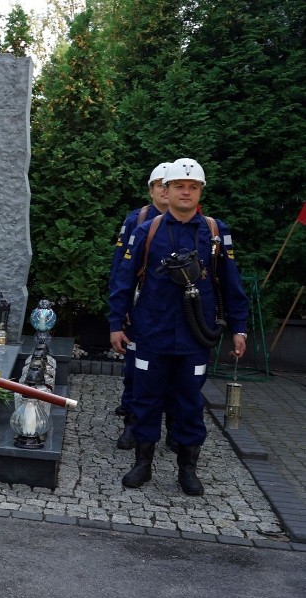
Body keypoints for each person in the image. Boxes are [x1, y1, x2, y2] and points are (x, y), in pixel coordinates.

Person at [109, 158, 249, 496]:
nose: (186, 192)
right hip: (150, 333)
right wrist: (116, 323)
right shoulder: (147, 230)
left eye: (193, 187)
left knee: (189, 404)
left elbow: (231, 283)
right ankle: (142, 465)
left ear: (200, 191)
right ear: (166, 191)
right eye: (179, 186)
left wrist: (239, 328)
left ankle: (187, 469)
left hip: (194, 335)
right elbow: (123, 280)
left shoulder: (215, 232)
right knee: (145, 400)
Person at [109, 163, 178, 452]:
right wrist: (119, 308)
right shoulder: (137, 219)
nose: (164, 189)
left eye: (168, 184)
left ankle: (176, 429)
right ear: (151, 189)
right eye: (159, 184)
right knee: (136, 369)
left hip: (180, 313)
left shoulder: (199, 222)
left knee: (178, 374)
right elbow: (121, 268)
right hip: (142, 308)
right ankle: (133, 423)